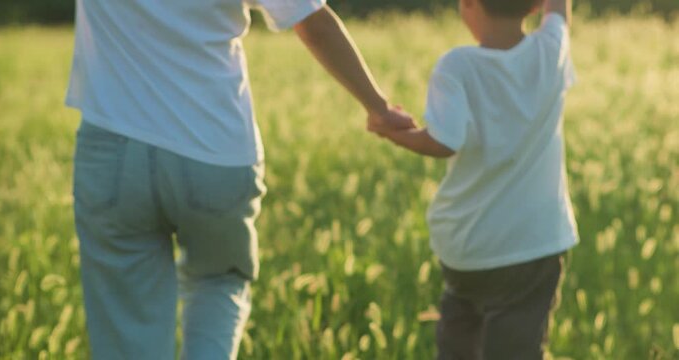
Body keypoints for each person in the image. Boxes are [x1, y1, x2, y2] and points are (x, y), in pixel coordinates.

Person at [66, 0, 413, 358]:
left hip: (113, 150)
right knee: (217, 284)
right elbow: (313, 23)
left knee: (127, 326)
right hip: (215, 149)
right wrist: (379, 109)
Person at [369, 0, 578, 358]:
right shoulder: (550, 52)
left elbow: (442, 141)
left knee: (459, 341)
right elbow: (559, 13)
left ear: (468, 4)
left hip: (467, 245)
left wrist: (392, 132)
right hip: (534, 245)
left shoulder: (458, 66)